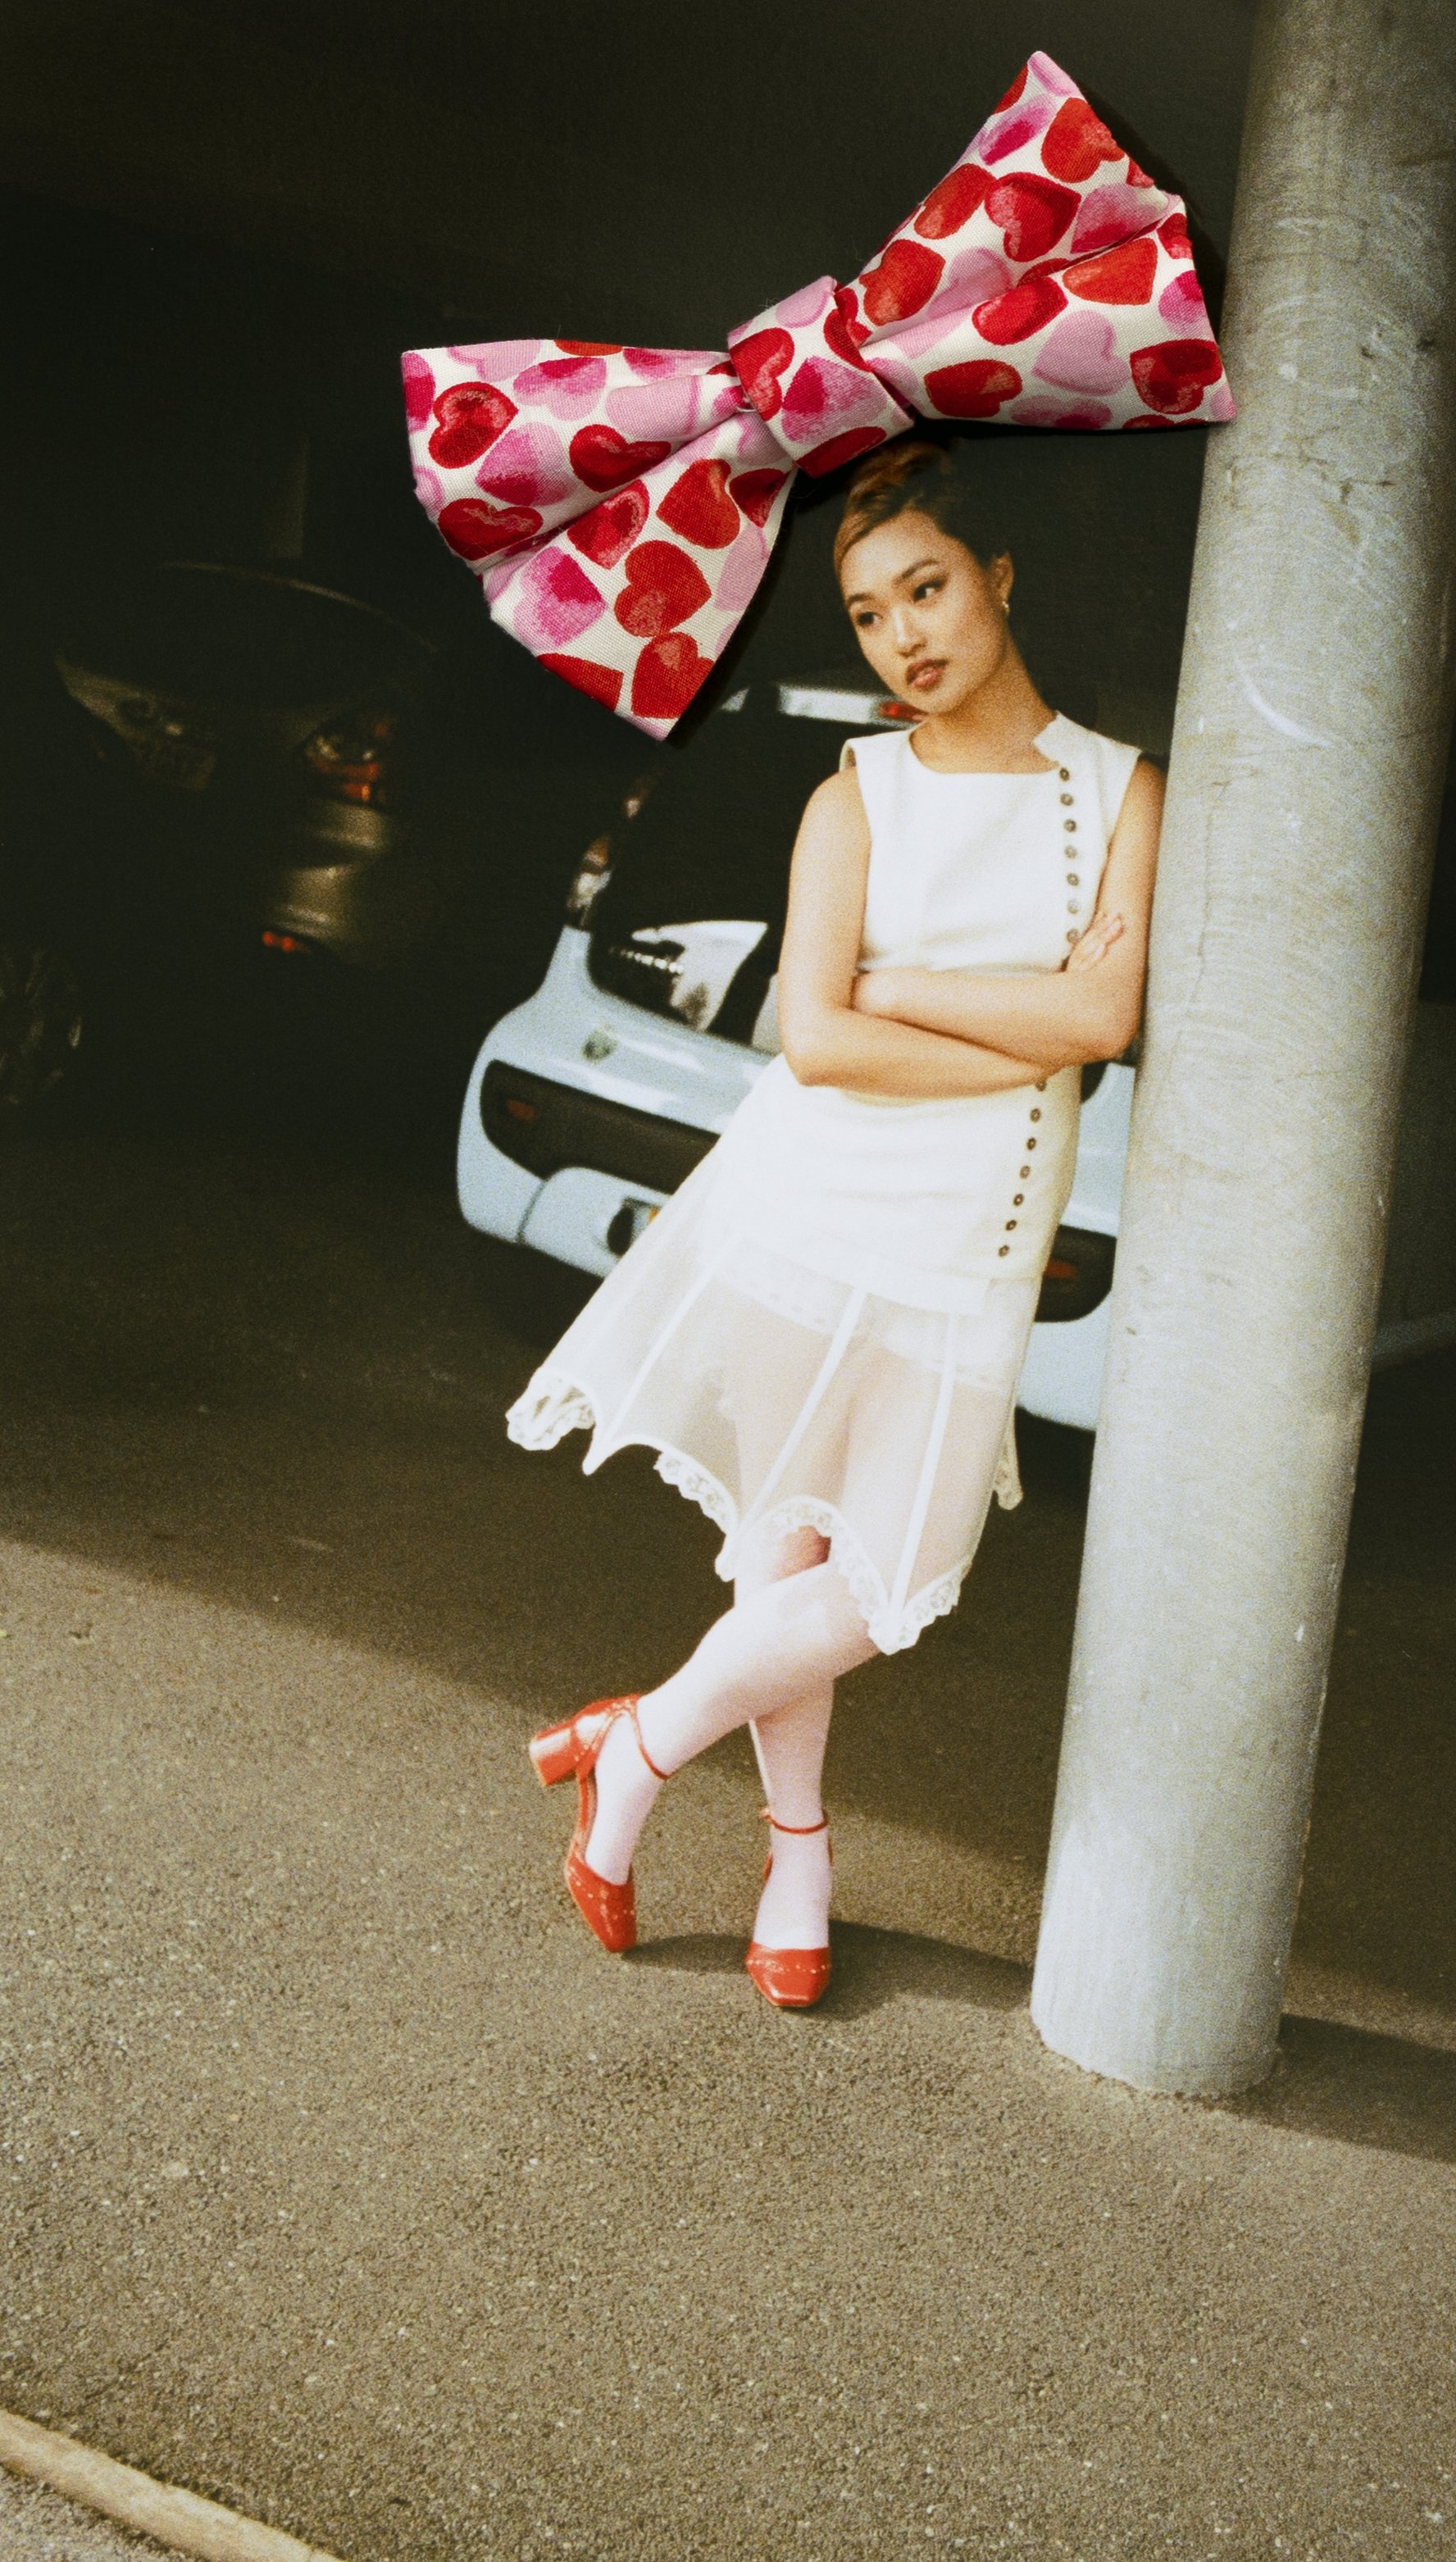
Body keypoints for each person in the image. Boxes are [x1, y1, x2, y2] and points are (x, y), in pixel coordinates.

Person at [512, 440, 1163, 2008]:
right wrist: (1018, 1019)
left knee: (885, 1588)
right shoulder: (851, 796)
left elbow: (1103, 1017)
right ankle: (797, 1857)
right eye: (871, 615)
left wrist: (911, 988)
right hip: (815, 1203)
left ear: (999, 576)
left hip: (975, 1242)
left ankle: (636, 1743)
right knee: (785, 1560)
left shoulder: (1121, 789)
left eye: (927, 588)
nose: (905, 635)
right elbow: (819, 1042)